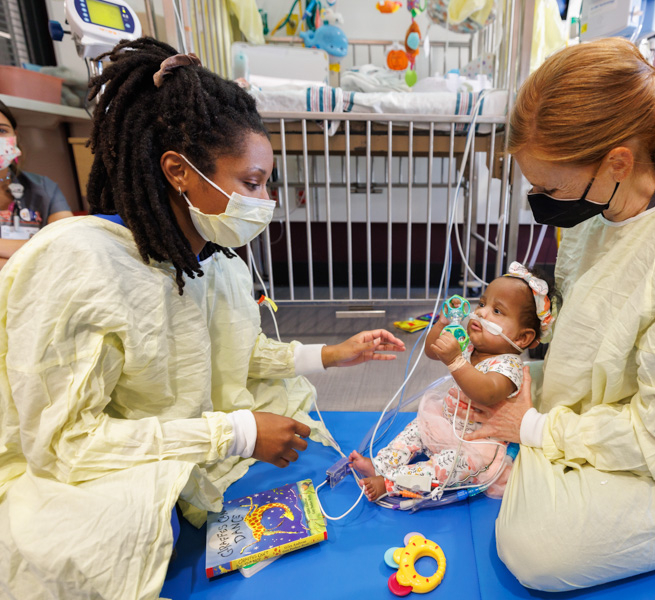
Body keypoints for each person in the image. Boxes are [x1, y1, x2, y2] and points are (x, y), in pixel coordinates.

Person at [0, 38, 405, 599]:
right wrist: (235, 432)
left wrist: (336, 354)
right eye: (251, 184)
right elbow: (65, 443)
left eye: (268, 184)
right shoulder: (77, 262)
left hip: (172, 429)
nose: (266, 204)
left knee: (282, 405)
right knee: (117, 536)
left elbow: (239, 352)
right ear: (179, 171)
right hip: (74, 462)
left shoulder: (213, 262)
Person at [463, 38, 655, 591]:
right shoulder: (592, 219)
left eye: (549, 186)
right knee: (458, 392)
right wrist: (500, 358)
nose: (540, 199)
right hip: (602, 412)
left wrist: (535, 426)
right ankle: (534, 457)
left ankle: (544, 465)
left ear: (618, 161)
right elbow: (589, 348)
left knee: (537, 550)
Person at [349, 263, 557, 502]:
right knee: (413, 431)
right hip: (446, 421)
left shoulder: (509, 366)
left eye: (497, 311)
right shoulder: (470, 343)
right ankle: (382, 465)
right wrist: (442, 323)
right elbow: (431, 351)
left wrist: (457, 361)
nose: (481, 313)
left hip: (477, 446)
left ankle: (391, 483)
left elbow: (486, 392)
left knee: (444, 468)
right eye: (482, 304)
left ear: (523, 337)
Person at [0, 99, 73, 269]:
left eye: (2, 130)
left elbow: (68, 242)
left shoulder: (44, 187)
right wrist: (35, 253)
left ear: (15, 136)